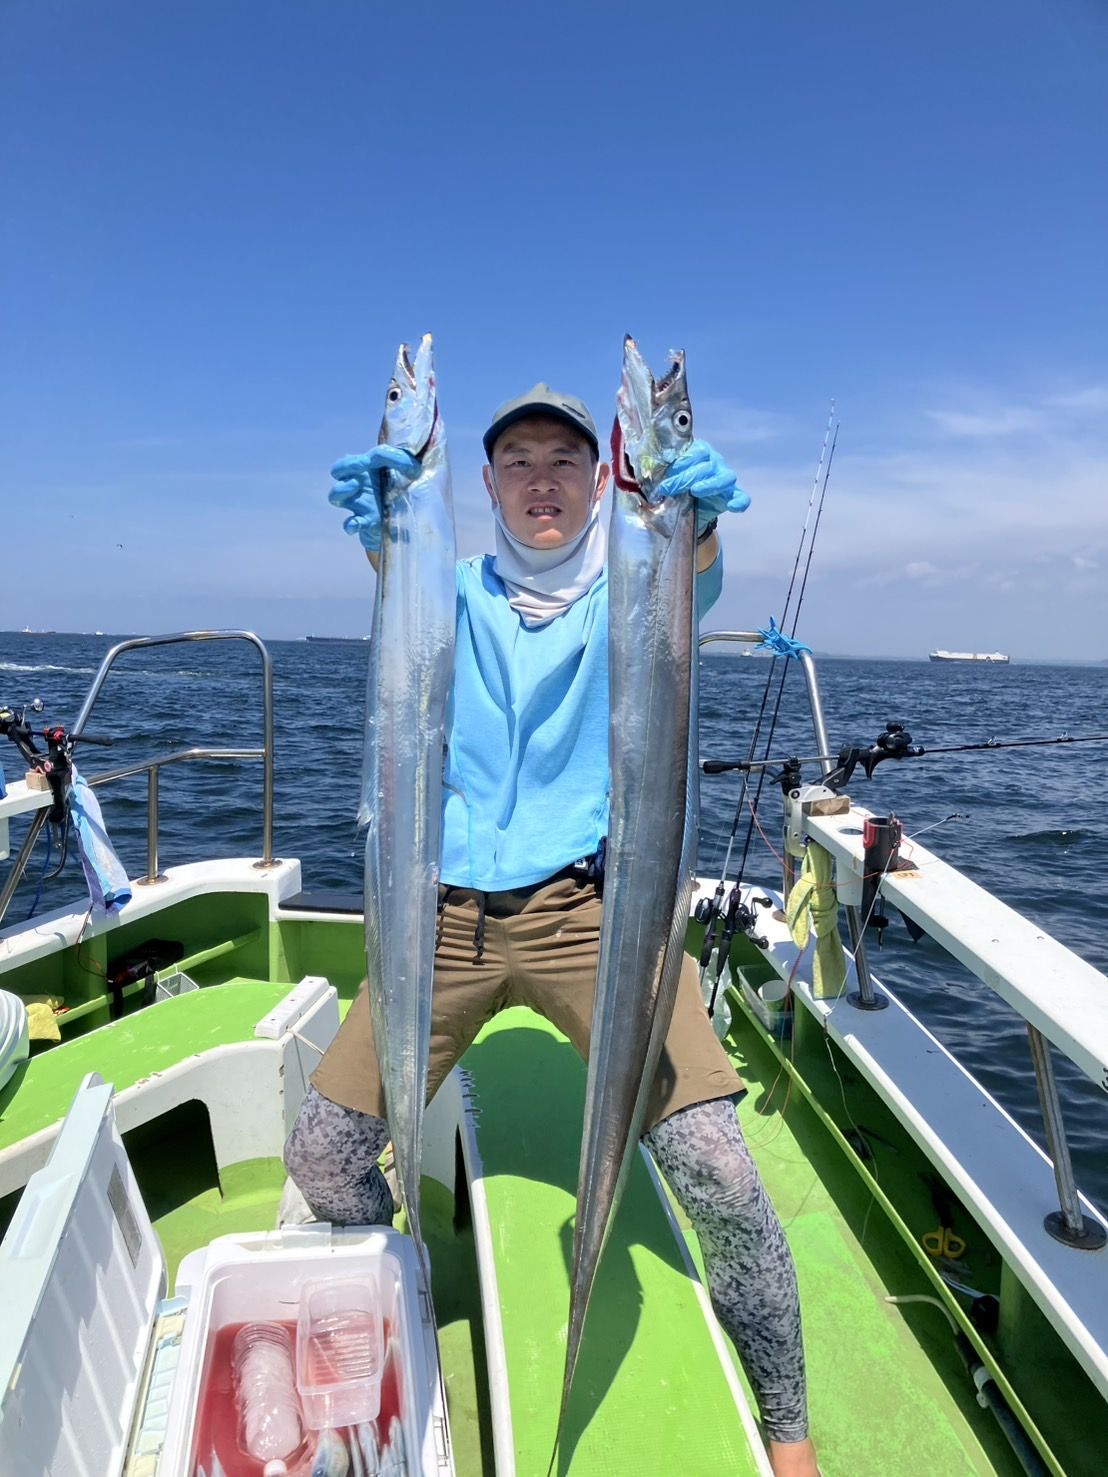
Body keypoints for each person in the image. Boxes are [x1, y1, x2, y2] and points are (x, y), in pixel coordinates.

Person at [283, 382, 819, 1477]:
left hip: (595, 912)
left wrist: (693, 520)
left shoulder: (638, 587)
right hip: (441, 914)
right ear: (483, 484)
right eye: (518, 461)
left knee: (717, 1170)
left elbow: (691, 572)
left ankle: (789, 1425)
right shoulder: (445, 588)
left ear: (602, 480)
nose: (541, 480)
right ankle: (402, 1284)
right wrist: (387, 519)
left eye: (565, 461)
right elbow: (397, 578)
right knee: (324, 1154)